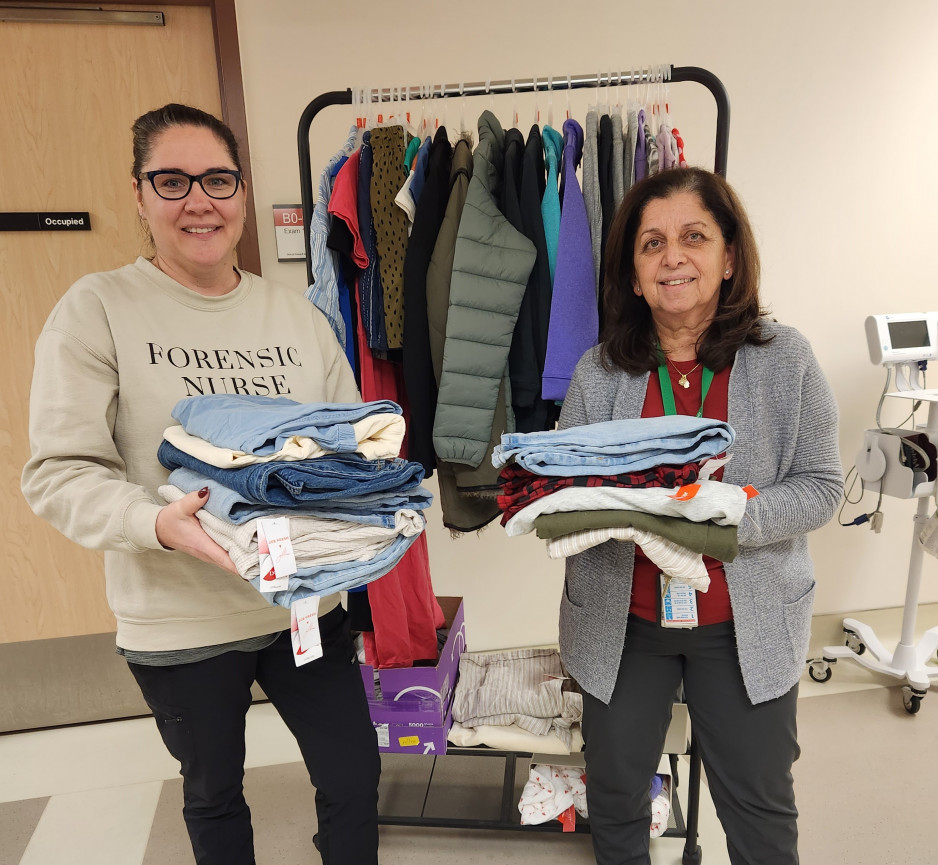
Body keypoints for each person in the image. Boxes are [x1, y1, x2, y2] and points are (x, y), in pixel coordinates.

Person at [21, 103, 380, 865]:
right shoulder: (98, 309)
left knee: (353, 773)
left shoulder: (296, 315)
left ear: (242, 193)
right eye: (172, 180)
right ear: (138, 194)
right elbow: (58, 471)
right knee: (213, 791)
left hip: (300, 602)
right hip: (179, 620)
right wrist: (156, 522)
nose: (199, 201)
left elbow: (349, 442)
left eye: (217, 179)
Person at [557, 167, 842, 865]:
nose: (673, 256)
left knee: (759, 811)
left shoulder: (786, 361)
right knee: (619, 799)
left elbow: (822, 486)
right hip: (625, 623)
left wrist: (731, 514)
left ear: (729, 257)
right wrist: (567, 504)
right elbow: (562, 494)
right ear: (632, 273)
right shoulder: (599, 373)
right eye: (652, 244)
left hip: (742, 624)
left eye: (693, 236)